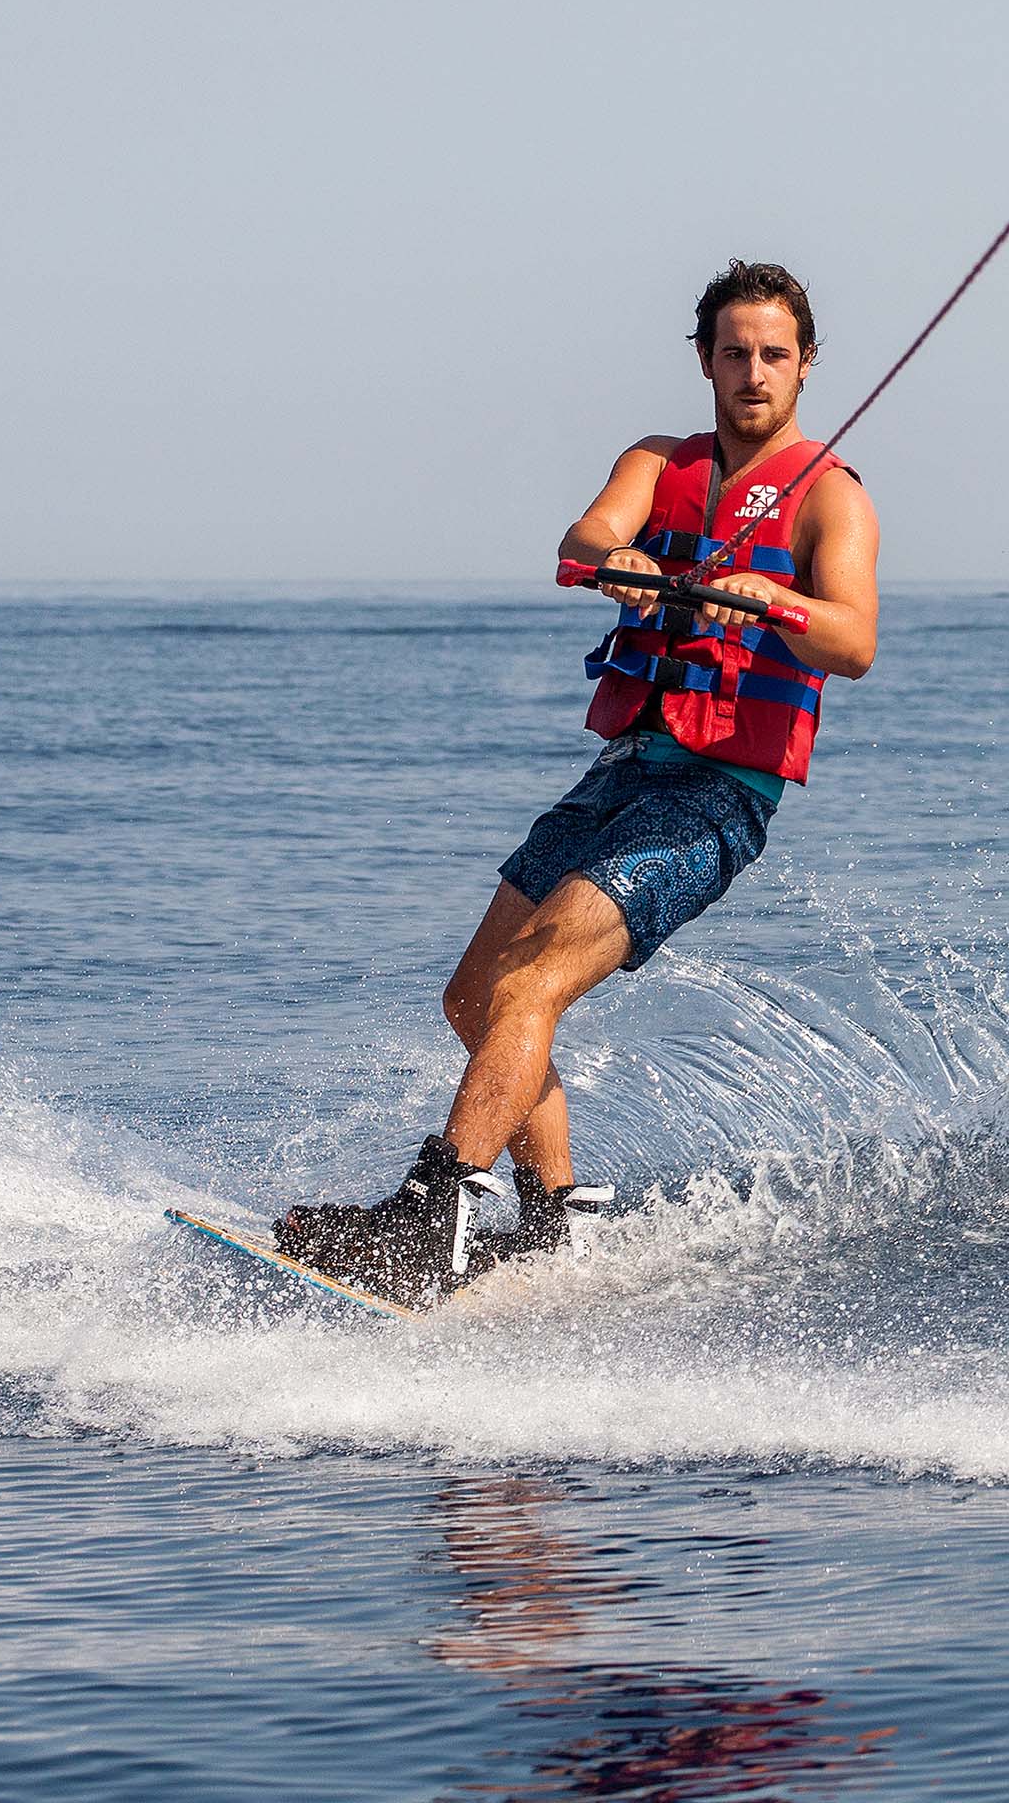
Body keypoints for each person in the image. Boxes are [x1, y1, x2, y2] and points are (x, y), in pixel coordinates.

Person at [275, 260, 881, 1304]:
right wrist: (624, 561)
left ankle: (430, 1219)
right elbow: (587, 537)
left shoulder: (831, 497)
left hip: (717, 796)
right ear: (704, 360)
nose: (753, 371)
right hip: (625, 772)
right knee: (475, 996)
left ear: (807, 364)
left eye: (774, 354)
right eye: (733, 352)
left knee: (530, 983)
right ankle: (554, 1222)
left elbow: (855, 639)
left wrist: (772, 603)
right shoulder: (658, 462)